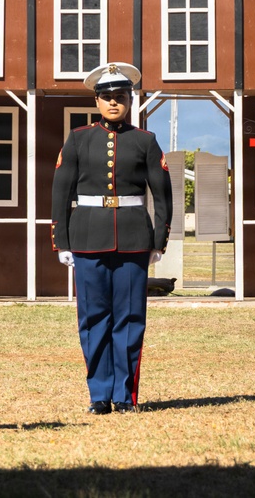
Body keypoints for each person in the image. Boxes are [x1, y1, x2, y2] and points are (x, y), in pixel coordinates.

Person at [51, 62, 173, 415]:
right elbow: (61, 192)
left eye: (120, 97)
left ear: (130, 100)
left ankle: (125, 396)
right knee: (93, 318)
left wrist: (158, 240)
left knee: (130, 318)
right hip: (87, 237)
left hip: (134, 238)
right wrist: (62, 241)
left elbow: (163, 195)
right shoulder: (78, 139)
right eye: (106, 98)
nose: (113, 103)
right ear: (97, 102)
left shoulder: (145, 141)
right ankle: (99, 395)